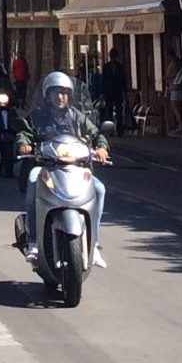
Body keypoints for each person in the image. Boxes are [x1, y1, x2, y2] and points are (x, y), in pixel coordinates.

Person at [14, 69, 107, 267]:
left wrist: (101, 148)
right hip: (46, 167)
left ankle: (95, 243)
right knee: (32, 180)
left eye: (64, 93)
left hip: (76, 168)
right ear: (47, 95)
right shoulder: (38, 117)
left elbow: (97, 134)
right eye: (56, 92)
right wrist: (24, 143)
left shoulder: (78, 117)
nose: (61, 97)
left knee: (99, 189)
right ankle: (32, 240)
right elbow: (25, 133)